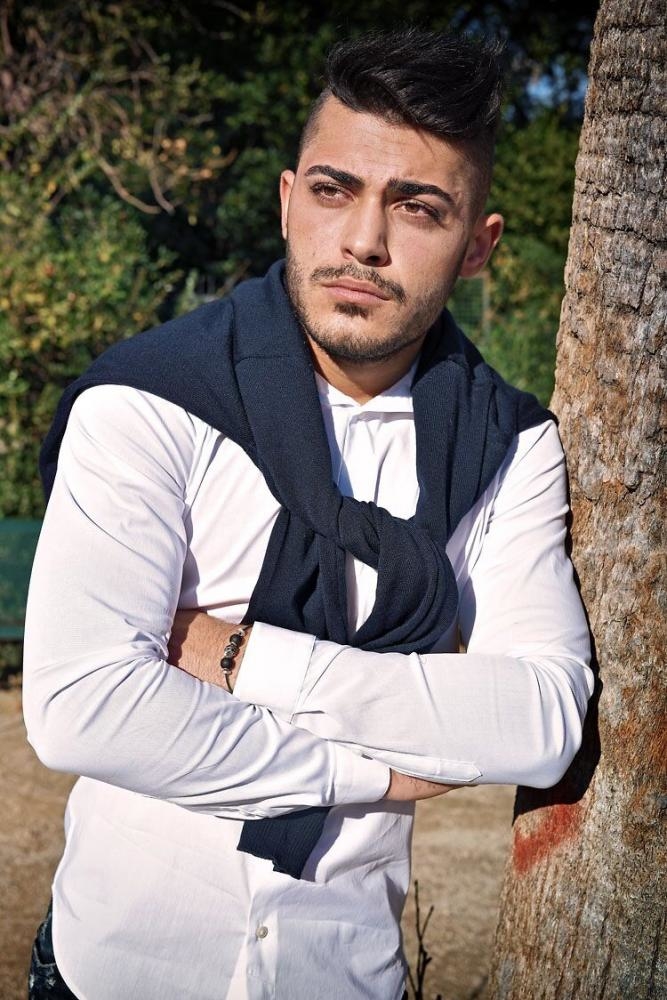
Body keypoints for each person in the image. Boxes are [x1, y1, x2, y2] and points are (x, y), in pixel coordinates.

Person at [23, 27, 593, 1000]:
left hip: (344, 973)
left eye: (418, 208)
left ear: (476, 247)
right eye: (334, 191)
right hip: (112, 969)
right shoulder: (150, 399)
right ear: (289, 202)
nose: (364, 241)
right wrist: (371, 771)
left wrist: (246, 658)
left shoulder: (509, 446)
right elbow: (84, 710)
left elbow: (540, 721)